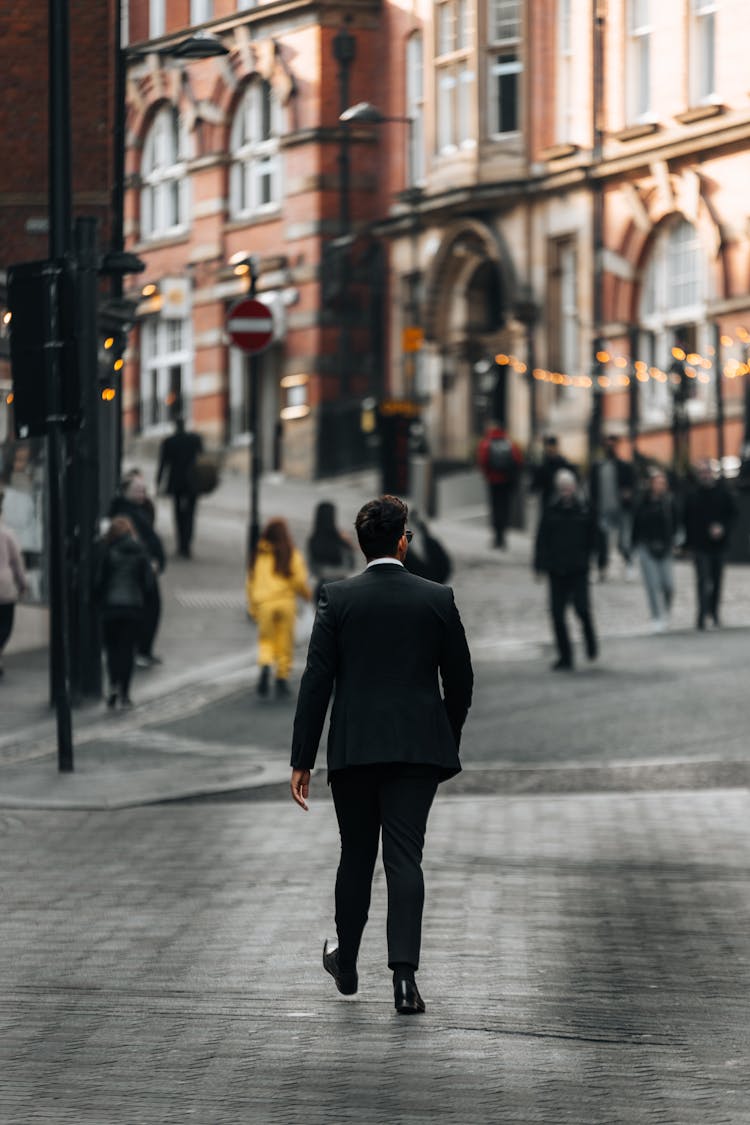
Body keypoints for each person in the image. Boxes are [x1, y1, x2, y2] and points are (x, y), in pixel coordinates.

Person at [290, 495, 473, 1015]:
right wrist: (445, 735)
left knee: (356, 856)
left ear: (361, 543)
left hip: (355, 750)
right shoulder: (436, 598)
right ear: (402, 541)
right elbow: (460, 679)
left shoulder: (338, 598)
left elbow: (316, 682)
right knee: (404, 858)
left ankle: (346, 962)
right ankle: (404, 982)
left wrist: (302, 757)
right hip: (416, 750)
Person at [534, 469, 599, 671]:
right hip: (557, 569)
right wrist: (539, 565)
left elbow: (596, 536)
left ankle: (590, 641)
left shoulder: (585, 508)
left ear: (574, 487)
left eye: (568, 487)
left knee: (582, 609)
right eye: (562, 488)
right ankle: (565, 656)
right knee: (557, 614)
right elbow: (541, 539)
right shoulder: (551, 509)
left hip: (579, 569)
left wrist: (599, 559)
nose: (566, 491)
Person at [247, 518, 312, 698]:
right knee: (285, 641)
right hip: (285, 603)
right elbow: (299, 580)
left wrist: (253, 608)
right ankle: (281, 677)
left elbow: (251, 583)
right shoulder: (291, 553)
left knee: (266, 640)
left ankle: (266, 663)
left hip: (264, 604)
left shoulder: (259, 554)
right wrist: (307, 595)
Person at [94, 516, 154, 710]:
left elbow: (100, 580)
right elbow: (148, 583)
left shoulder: (107, 551)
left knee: (112, 649)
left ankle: (112, 686)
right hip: (133, 608)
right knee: (127, 651)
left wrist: (98, 601)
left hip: (111, 607)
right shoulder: (141, 551)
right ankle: (125, 692)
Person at [109, 472, 166, 667]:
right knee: (146, 610)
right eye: (137, 490)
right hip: (139, 572)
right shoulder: (125, 513)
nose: (142, 493)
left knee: (150, 610)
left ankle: (142, 650)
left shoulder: (139, 509)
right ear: (126, 491)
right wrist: (149, 562)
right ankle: (140, 651)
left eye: (143, 489)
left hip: (145, 569)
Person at [684, 461, 737, 629]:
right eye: (702, 472)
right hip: (700, 546)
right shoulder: (693, 495)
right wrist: (688, 544)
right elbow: (686, 520)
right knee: (702, 580)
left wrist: (722, 529)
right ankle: (701, 615)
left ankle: (713, 612)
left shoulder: (723, 493)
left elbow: (733, 515)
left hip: (718, 546)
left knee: (716, 580)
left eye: (707, 472)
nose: (705, 475)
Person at [631, 469, 679, 633]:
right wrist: (634, 546)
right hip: (646, 546)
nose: (660, 486)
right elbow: (636, 524)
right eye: (657, 482)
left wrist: (675, 541)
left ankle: (665, 611)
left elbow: (676, 523)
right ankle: (656, 616)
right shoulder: (642, 502)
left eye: (663, 483)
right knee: (652, 585)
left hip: (665, 547)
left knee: (668, 585)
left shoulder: (669, 502)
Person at [589, 434, 637, 581]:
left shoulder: (625, 466)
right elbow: (592, 489)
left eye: (612, 445)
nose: (609, 448)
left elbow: (633, 487)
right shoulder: (598, 467)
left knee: (624, 540)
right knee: (602, 541)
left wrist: (628, 494)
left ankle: (628, 564)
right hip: (603, 509)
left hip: (622, 509)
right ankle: (602, 568)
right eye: (607, 445)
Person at [156, 416, 203, 559]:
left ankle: (181, 545)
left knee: (178, 515)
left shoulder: (169, 442)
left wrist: (158, 483)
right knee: (190, 514)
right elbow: (203, 459)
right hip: (192, 482)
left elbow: (163, 465)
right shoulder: (195, 440)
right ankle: (187, 544)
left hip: (176, 482)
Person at [476, 421, 523, 548]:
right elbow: (518, 460)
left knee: (495, 508)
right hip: (506, 481)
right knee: (505, 508)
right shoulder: (509, 443)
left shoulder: (486, 443)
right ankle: (503, 536)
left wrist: (487, 475)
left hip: (493, 481)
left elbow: (483, 461)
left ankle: (497, 537)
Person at [0, 490, 28, 678]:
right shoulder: (7, 534)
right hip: (3, 588)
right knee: (4, 626)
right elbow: (17, 562)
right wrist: (23, 584)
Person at [307, 501, 355, 603]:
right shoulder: (341, 540)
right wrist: (349, 546)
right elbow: (350, 566)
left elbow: (312, 569)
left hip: (322, 589)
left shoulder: (313, 540)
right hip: (342, 588)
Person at [529, 434, 577, 517]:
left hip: (560, 500)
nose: (551, 449)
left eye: (552, 446)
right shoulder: (543, 465)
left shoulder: (563, 463)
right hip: (547, 500)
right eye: (549, 446)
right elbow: (536, 484)